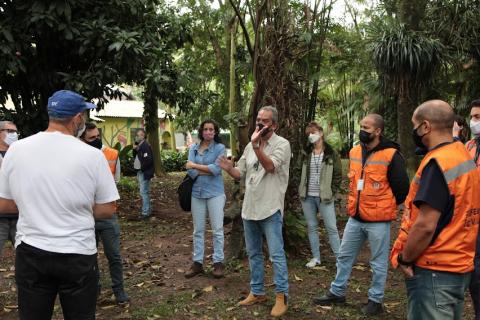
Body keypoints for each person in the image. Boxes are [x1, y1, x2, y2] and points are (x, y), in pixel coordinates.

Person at [0, 90, 119, 319]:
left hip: (32, 252)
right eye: (83, 115)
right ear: (77, 119)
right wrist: (75, 206)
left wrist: (36, 204)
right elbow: (107, 208)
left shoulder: (16, 150)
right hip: (77, 254)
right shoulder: (92, 156)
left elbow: (4, 205)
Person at [390, 100, 480, 320]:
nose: (414, 131)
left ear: (426, 127)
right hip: (459, 264)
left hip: (434, 269)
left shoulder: (438, 163)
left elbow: (425, 225)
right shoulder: (463, 155)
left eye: (415, 125)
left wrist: (405, 257)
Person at [314, 114, 409, 315]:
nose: (362, 130)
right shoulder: (355, 151)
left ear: (377, 131)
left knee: (378, 262)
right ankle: (337, 291)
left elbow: (402, 189)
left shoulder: (391, 155)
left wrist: (382, 204)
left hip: (379, 221)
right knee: (344, 256)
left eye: (366, 127)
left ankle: (376, 300)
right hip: (355, 218)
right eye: (361, 126)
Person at [219, 106, 291, 318]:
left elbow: (270, 166)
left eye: (265, 121)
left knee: (276, 255)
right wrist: (228, 168)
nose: (260, 124)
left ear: (274, 125)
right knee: (253, 253)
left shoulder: (282, 144)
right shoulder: (250, 147)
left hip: (270, 209)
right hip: (250, 208)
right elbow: (239, 172)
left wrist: (256, 145)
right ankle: (257, 291)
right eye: (258, 119)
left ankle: (282, 296)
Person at [80, 122, 130, 303]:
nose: (95, 140)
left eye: (97, 137)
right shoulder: (77, 156)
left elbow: (116, 181)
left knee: (114, 256)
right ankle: (94, 289)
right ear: (83, 139)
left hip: (108, 214)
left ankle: (119, 290)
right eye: (91, 138)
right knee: (88, 256)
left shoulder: (112, 154)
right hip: (85, 215)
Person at [184, 119, 226, 279]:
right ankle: (197, 263)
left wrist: (195, 166)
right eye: (206, 129)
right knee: (198, 230)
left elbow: (216, 170)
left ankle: (218, 263)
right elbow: (190, 172)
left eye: (212, 129)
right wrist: (202, 169)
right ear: (201, 131)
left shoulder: (220, 148)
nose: (208, 132)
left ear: (215, 132)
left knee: (217, 230)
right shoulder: (193, 147)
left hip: (215, 193)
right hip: (197, 193)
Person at [298, 122, 341, 268]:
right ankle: (316, 257)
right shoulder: (305, 152)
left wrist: (332, 191)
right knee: (312, 227)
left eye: (313, 132)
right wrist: (300, 187)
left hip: (325, 197)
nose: (311, 136)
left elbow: (338, 175)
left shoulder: (331, 152)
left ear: (321, 133)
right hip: (307, 196)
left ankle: (339, 259)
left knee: (332, 228)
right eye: (308, 134)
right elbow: (298, 171)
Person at [465, 99, 480, 319]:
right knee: (473, 267)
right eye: (473, 117)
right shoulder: (469, 145)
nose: (473, 121)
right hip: (471, 215)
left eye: (478, 117)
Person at [0, 121, 18, 256]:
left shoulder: (20, 154)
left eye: (15, 132)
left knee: (25, 254)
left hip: (19, 213)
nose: (14, 135)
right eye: (10, 131)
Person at [133, 128, 154, 219]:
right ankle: (148, 210)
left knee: (143, 192)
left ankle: (145, 212)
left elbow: (148, 160)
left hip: (144, 172)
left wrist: (142, 169)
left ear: (144, 136)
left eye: (141, 135)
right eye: (137, 135)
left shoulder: (145, 145)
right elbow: (136, 156)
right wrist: (135, 149)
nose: (139, 137)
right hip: (140, 171)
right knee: (145, 192)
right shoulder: (140, 146)